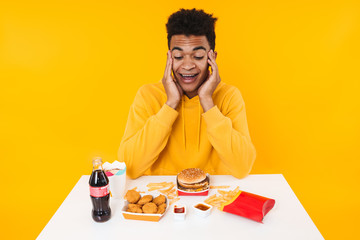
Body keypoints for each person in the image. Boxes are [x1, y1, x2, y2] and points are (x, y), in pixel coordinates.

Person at [118, 8, 256, 179]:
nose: (188, 65)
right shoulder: (148, 95)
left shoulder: (229, 96)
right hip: (163, 197)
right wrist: (170, 105)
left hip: (214, 198)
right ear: (169, 57)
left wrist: (207, 100)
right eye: (178, 56)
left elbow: (242, 167)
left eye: (197, 56)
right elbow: (130, 167)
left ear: (212, 57)